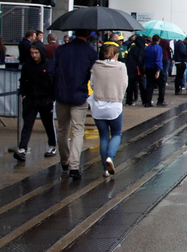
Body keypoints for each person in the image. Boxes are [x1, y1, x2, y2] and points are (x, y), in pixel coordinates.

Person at [48, 31, 97, 180]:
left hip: (61, 95)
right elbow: (94, 75)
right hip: (79, 95)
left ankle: (64, 160)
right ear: (88, 35)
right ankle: (74, 166)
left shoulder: (61, 49)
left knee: (62, 129)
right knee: (77, 130)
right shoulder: (91, 52)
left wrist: (56, 87)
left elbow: (50, 70)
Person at [13, 43, 57, 162]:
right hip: (30, 98)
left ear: (41, 52)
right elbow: (23, 80)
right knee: (27, 124)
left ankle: (52, 145)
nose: (34, 55)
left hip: (45, 99)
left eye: (36, 53)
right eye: (32, 53)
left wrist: (51, 98)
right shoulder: (27, 66)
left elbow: (54, 82)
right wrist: (24, 94)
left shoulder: (48, 65)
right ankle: (22, 148)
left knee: (48, 124)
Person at [89, 43, 127, 176]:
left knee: (103, 136)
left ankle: (105, 169)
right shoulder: (121, 66)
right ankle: (110, 157)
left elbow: (92, 84)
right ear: (116, 55)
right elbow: (125, 84)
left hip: (98, 105)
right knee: (116, 134)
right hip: (114, 105)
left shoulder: (96, 66)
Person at [142, 35, 166, 107]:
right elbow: (158, 59)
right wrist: (158, 70)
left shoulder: (148, 47)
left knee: (150, 85)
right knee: (162, 85)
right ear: (159, 40)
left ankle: (147, 101)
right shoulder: (158, 48)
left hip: (148, 68)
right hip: (155, 68)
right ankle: (160, 101)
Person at [123, 34, 146, 106]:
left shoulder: (132, 48)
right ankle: (144, 100)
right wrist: (143, 70)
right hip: (139, 70)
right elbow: (140, 61)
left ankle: (129, 100)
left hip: (131, 69)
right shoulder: (142, 50)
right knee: (142, 86)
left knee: (131, 86)